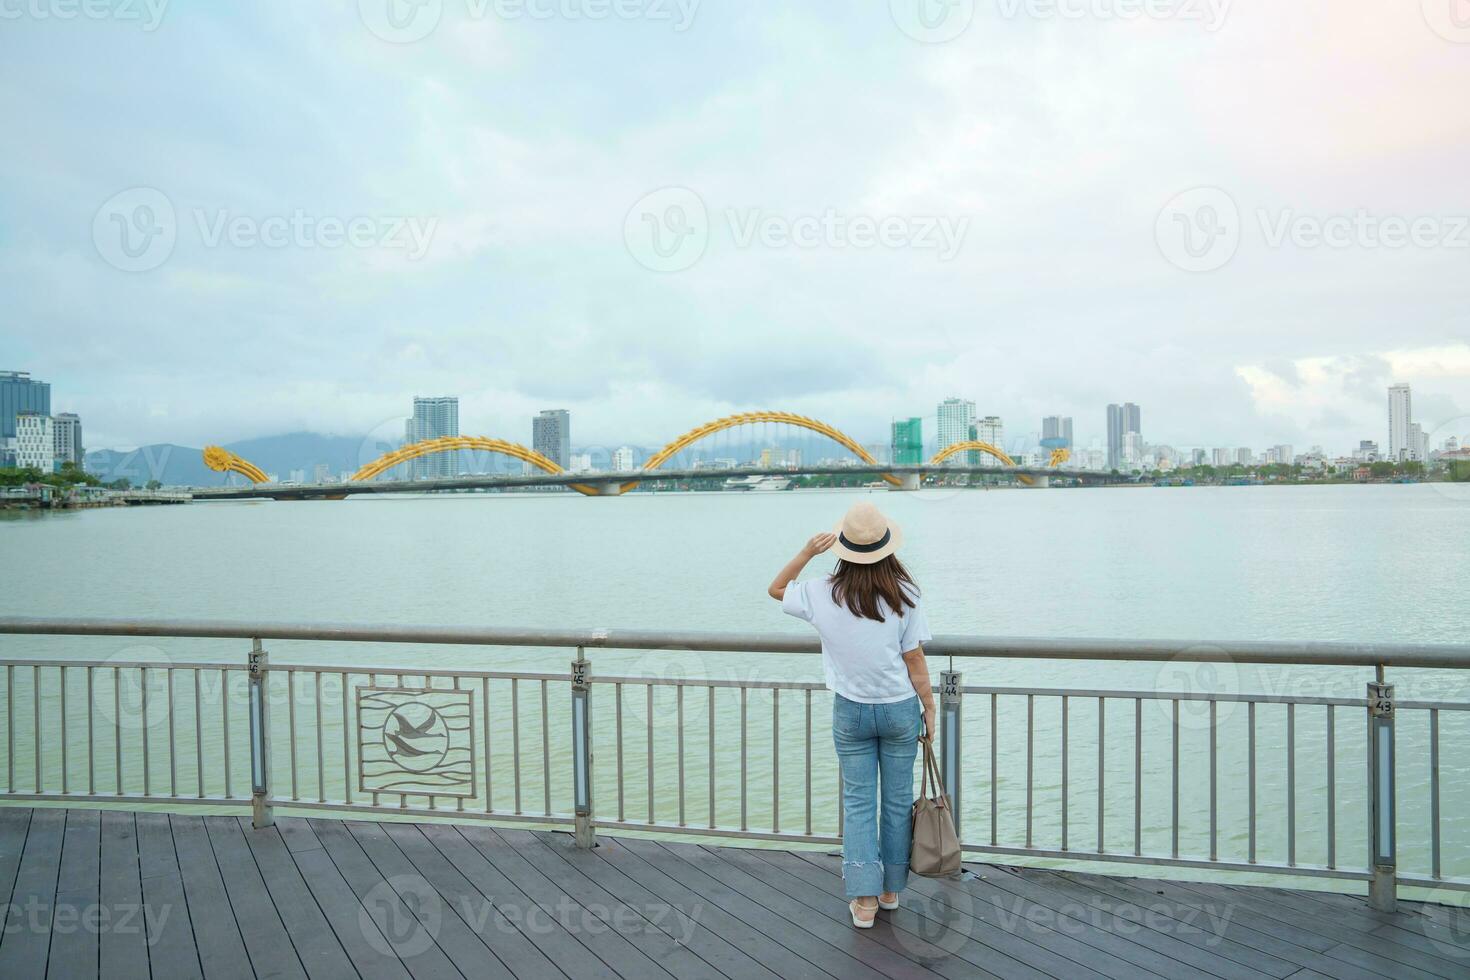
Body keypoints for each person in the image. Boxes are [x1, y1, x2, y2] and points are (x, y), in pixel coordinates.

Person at [767, 501, 935, 928]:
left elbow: (776, 589)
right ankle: (890, 890)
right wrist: (929, 708)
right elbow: (914, 659)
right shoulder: (906, 593)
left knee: (859, 802)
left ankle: (864, 903)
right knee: (897, 803)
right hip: (899, 709)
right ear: (887, 547)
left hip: (850, 711)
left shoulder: (822, 591)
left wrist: (807, 551)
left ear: (843, 546)